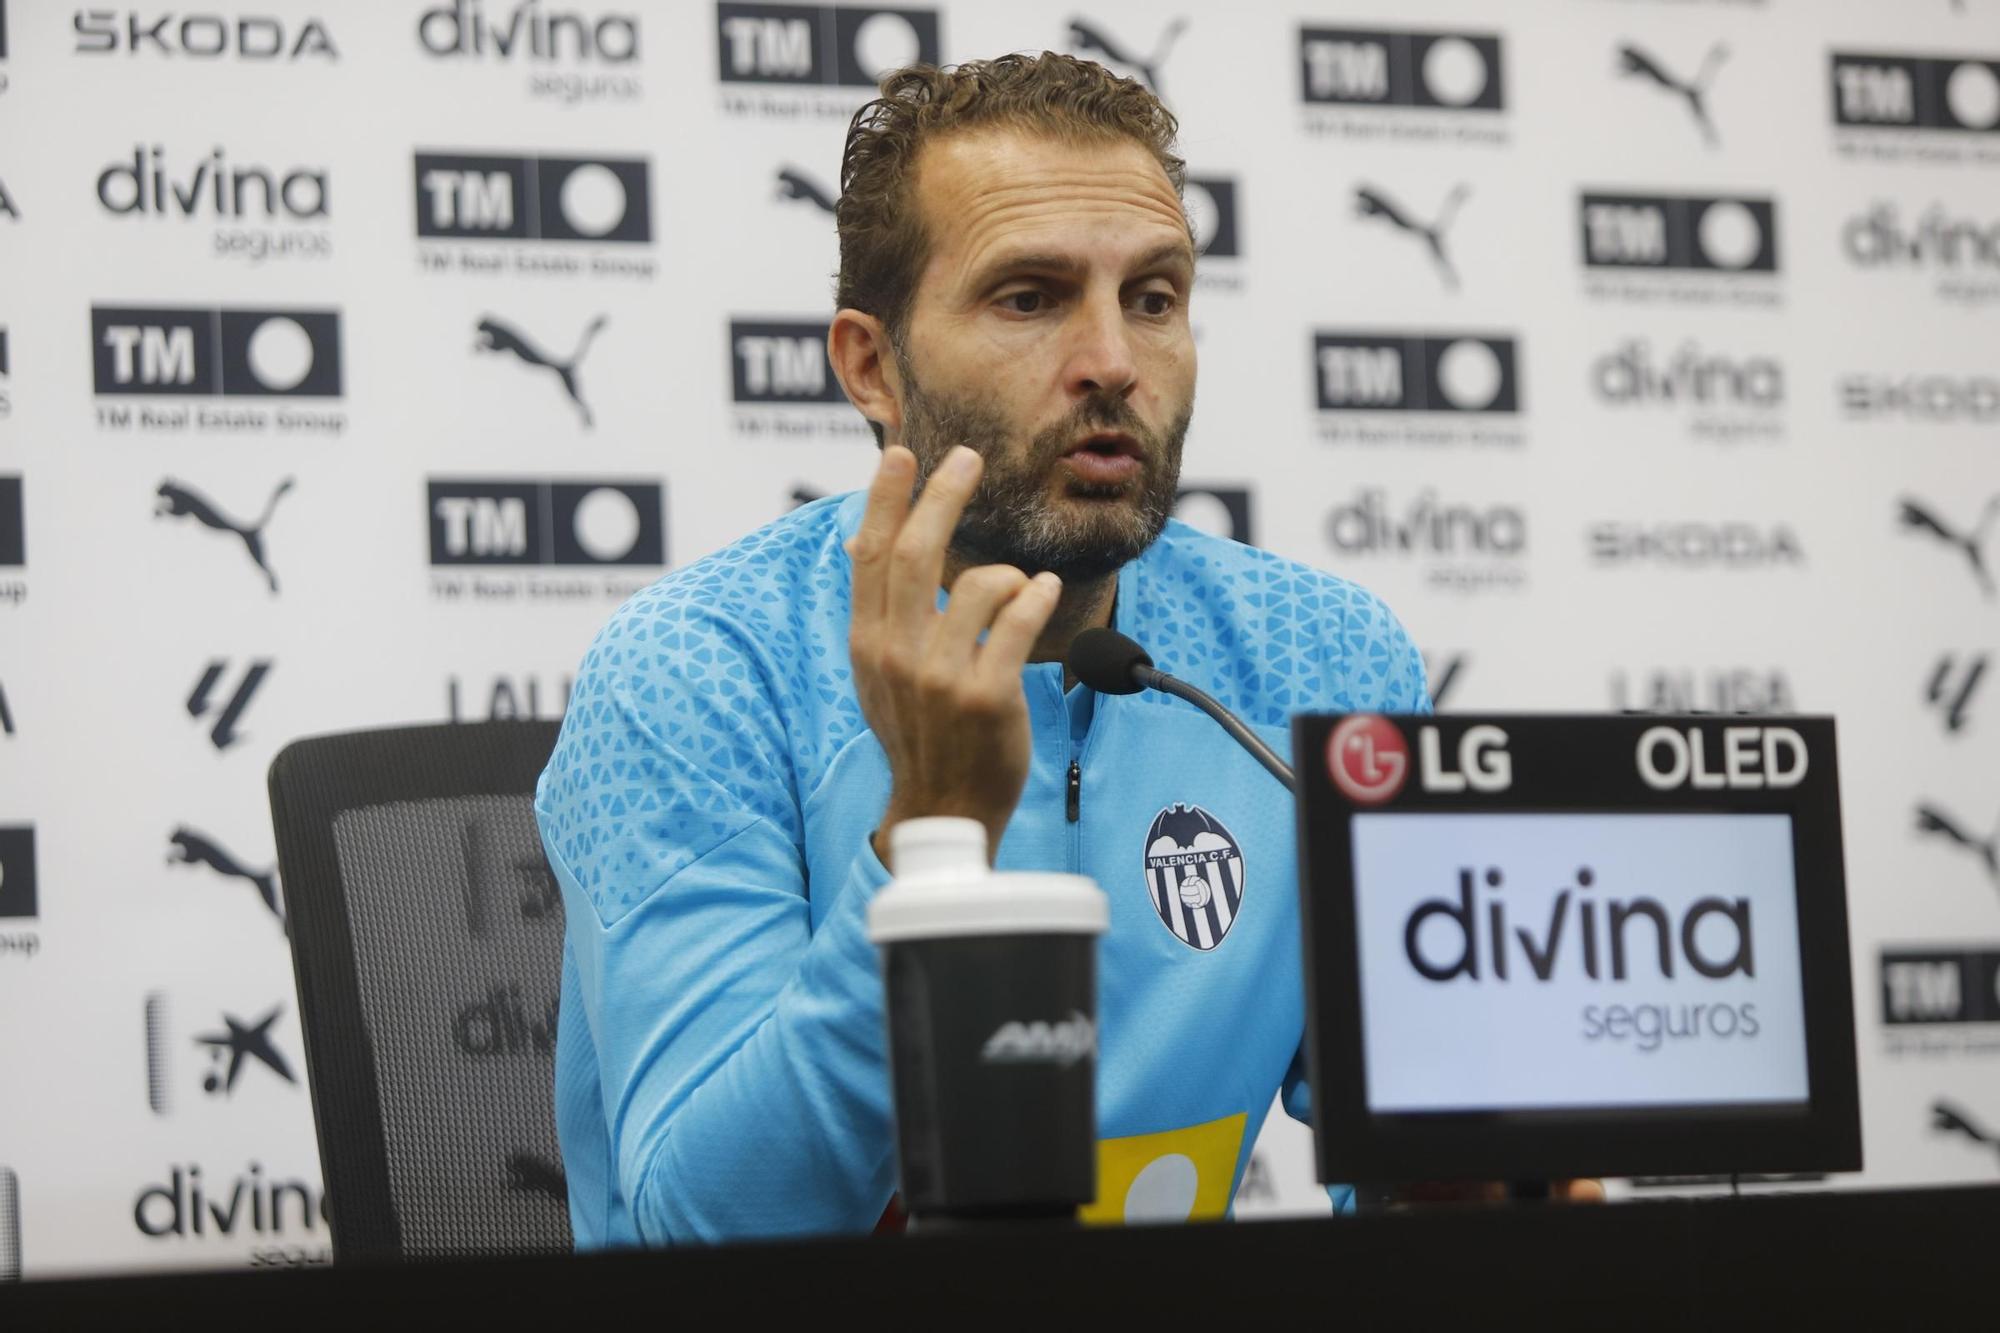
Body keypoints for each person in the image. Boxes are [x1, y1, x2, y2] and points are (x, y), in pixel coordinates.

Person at [536, 52, 1433, 1247]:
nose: (1112, 358)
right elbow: (712, 1237)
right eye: (1029, 297)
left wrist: (1493, 1172)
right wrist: (929, 839)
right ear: (870, 366)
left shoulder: (1319, 659)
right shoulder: (698, 670)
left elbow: (1420, 1166)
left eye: (1153, 297)